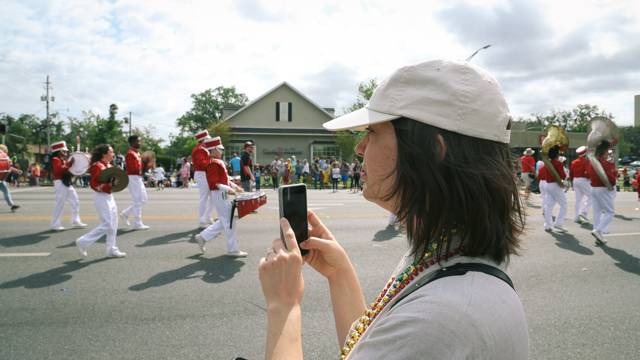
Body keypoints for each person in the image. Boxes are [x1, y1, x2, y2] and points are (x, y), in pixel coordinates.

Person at [258, 59, 528, 360]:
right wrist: (339, 274)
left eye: (373, 131)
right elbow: (375, 347)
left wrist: (284, 305)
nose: (360, 147)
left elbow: (405, 341)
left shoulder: (437, 322)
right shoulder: (449, 256)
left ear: (433, 151)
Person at [194, 137, 247, 258]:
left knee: (226, 221)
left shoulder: (216, 161)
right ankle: (232, 250)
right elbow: (213, 184)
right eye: (220, 149)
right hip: (219, 195)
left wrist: (235, 186)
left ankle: (202, 237)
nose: (222, 151)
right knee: (229, 222)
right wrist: (229, 189)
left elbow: (224, 180)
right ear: (214, 150)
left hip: (221, 195)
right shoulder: (212, 163)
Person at [75, 144, 126, 258]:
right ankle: (83, 241)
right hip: (101, 196)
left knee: (113, 224)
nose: (113, 154)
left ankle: (111, 249)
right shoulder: (96, 166)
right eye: (111, 152)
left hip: (109, 196)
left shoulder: (108, 165)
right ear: (104, 154)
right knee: (107, 224)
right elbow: (94, 185)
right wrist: (110, 184)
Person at [49, 141, 86, 231]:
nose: (66, 152)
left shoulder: (63, 160)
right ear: (59, 151)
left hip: (65, 182)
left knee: (75, 201)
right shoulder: (55, 160)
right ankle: (54, 224)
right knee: (60, 204)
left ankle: (76, 221)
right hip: (60, 182)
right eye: (64, 151)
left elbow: (66, 170)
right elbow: (60, 171)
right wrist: (69, 164)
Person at [587, 141, 617, 245]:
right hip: (602, 189)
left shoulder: (593, 161)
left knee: (597, 212)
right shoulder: (606, 162)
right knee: (610, 212)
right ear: (605, 151)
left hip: (593, 188)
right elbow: (612, 181)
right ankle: (598, 230)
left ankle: (599, 237)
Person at [120, 135, 150, 230]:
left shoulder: (136, 153)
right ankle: (137, 223)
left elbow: (139, 168)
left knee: (143, 199)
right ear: (133, 143)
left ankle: (126, 214)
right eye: (138, 141)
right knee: (137, 201)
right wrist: (144, 163)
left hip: (137, 177)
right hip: (133, 177)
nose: (140, 143)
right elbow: (134, 168)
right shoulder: (130, 154)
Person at [192, 130, 215, 228]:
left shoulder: (202, 148)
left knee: (213, 196)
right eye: (207, 138)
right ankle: (202, 221)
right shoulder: (200, 149)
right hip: (202, 174)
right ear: (202, 140)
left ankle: (208, 217)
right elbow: (201, 163)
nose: (209, 140)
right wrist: (212, 162)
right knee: (204, 198)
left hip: (204, 174)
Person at [543, 146, 569, 233]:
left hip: (548, 184)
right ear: (557, 155)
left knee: (549, 206)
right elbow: (563, 176)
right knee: (564, 204)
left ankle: (547, 225)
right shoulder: (558, 163)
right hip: (555, 185)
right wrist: (561, 164)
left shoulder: (547, 162)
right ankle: (559, 223)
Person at [570, 146, 592, 223]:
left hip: (575, 179)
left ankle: (576, 217)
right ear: (585, 154)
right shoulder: (586, 161)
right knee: (592, 195)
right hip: (583, 179)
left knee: (578, 199)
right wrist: (588, 177)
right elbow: (589, 173)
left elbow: (571, 173)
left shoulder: (573, 162)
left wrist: (573, 181)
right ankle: (585, 212)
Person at [0, 145, 20, 212]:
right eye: (6, 149)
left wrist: (17, 170)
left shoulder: (5, 157)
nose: (7, 151)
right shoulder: (3, 156)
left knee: (6, 190)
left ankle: (12, 206)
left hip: (1, 178)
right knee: (6, 191)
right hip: (1, 178)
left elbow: (7, 167)